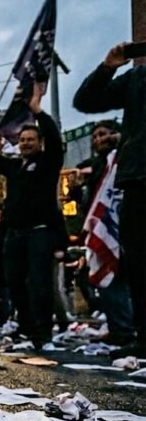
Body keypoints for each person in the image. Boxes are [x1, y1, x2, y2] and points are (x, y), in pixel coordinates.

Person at [0, 83, 64, 350]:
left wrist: (38, 111)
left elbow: (51, 133)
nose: (26, 143)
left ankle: (43, 334)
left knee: (39, 283)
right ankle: (27, 329)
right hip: (13, 236)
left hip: (40, 232)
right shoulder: (14, 166)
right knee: (15, 284)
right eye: (23, 140)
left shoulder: (49, 163)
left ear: (39, 143)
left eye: (31, 140)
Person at [74, 44, 145, 357]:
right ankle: (143, 336)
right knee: (140, 262)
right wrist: (108, 67)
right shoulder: (137, 78)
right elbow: (86, 101)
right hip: (138, 178)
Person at [73, 121, 135, 346]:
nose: (99, 139)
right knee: (108, 282)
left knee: (119, 281)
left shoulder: (124, 159)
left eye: (105, 134)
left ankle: (125, 329)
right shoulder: (96, 166)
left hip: (123, 227)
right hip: (105, 228)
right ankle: (119, 326)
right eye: (96, 136)